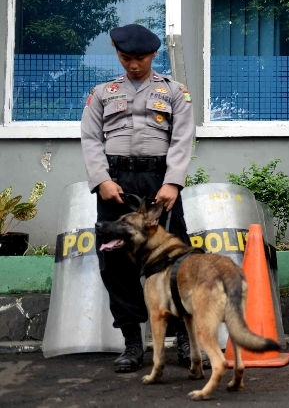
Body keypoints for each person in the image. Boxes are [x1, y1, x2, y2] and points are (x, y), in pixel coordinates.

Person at [81, 24, 195, 373]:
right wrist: (101, 180)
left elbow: (182, 137)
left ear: (154, 55)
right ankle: (133, 343)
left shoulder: (175, 91)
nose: (133, 64)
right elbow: (89, 138)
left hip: (158, 182)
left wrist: (173, 182)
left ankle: (183, 339)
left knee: (173, 258)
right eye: (126, 57)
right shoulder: (102, 92)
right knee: (116, 262)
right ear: (117, 53)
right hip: (116, 183)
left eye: (140, 58)